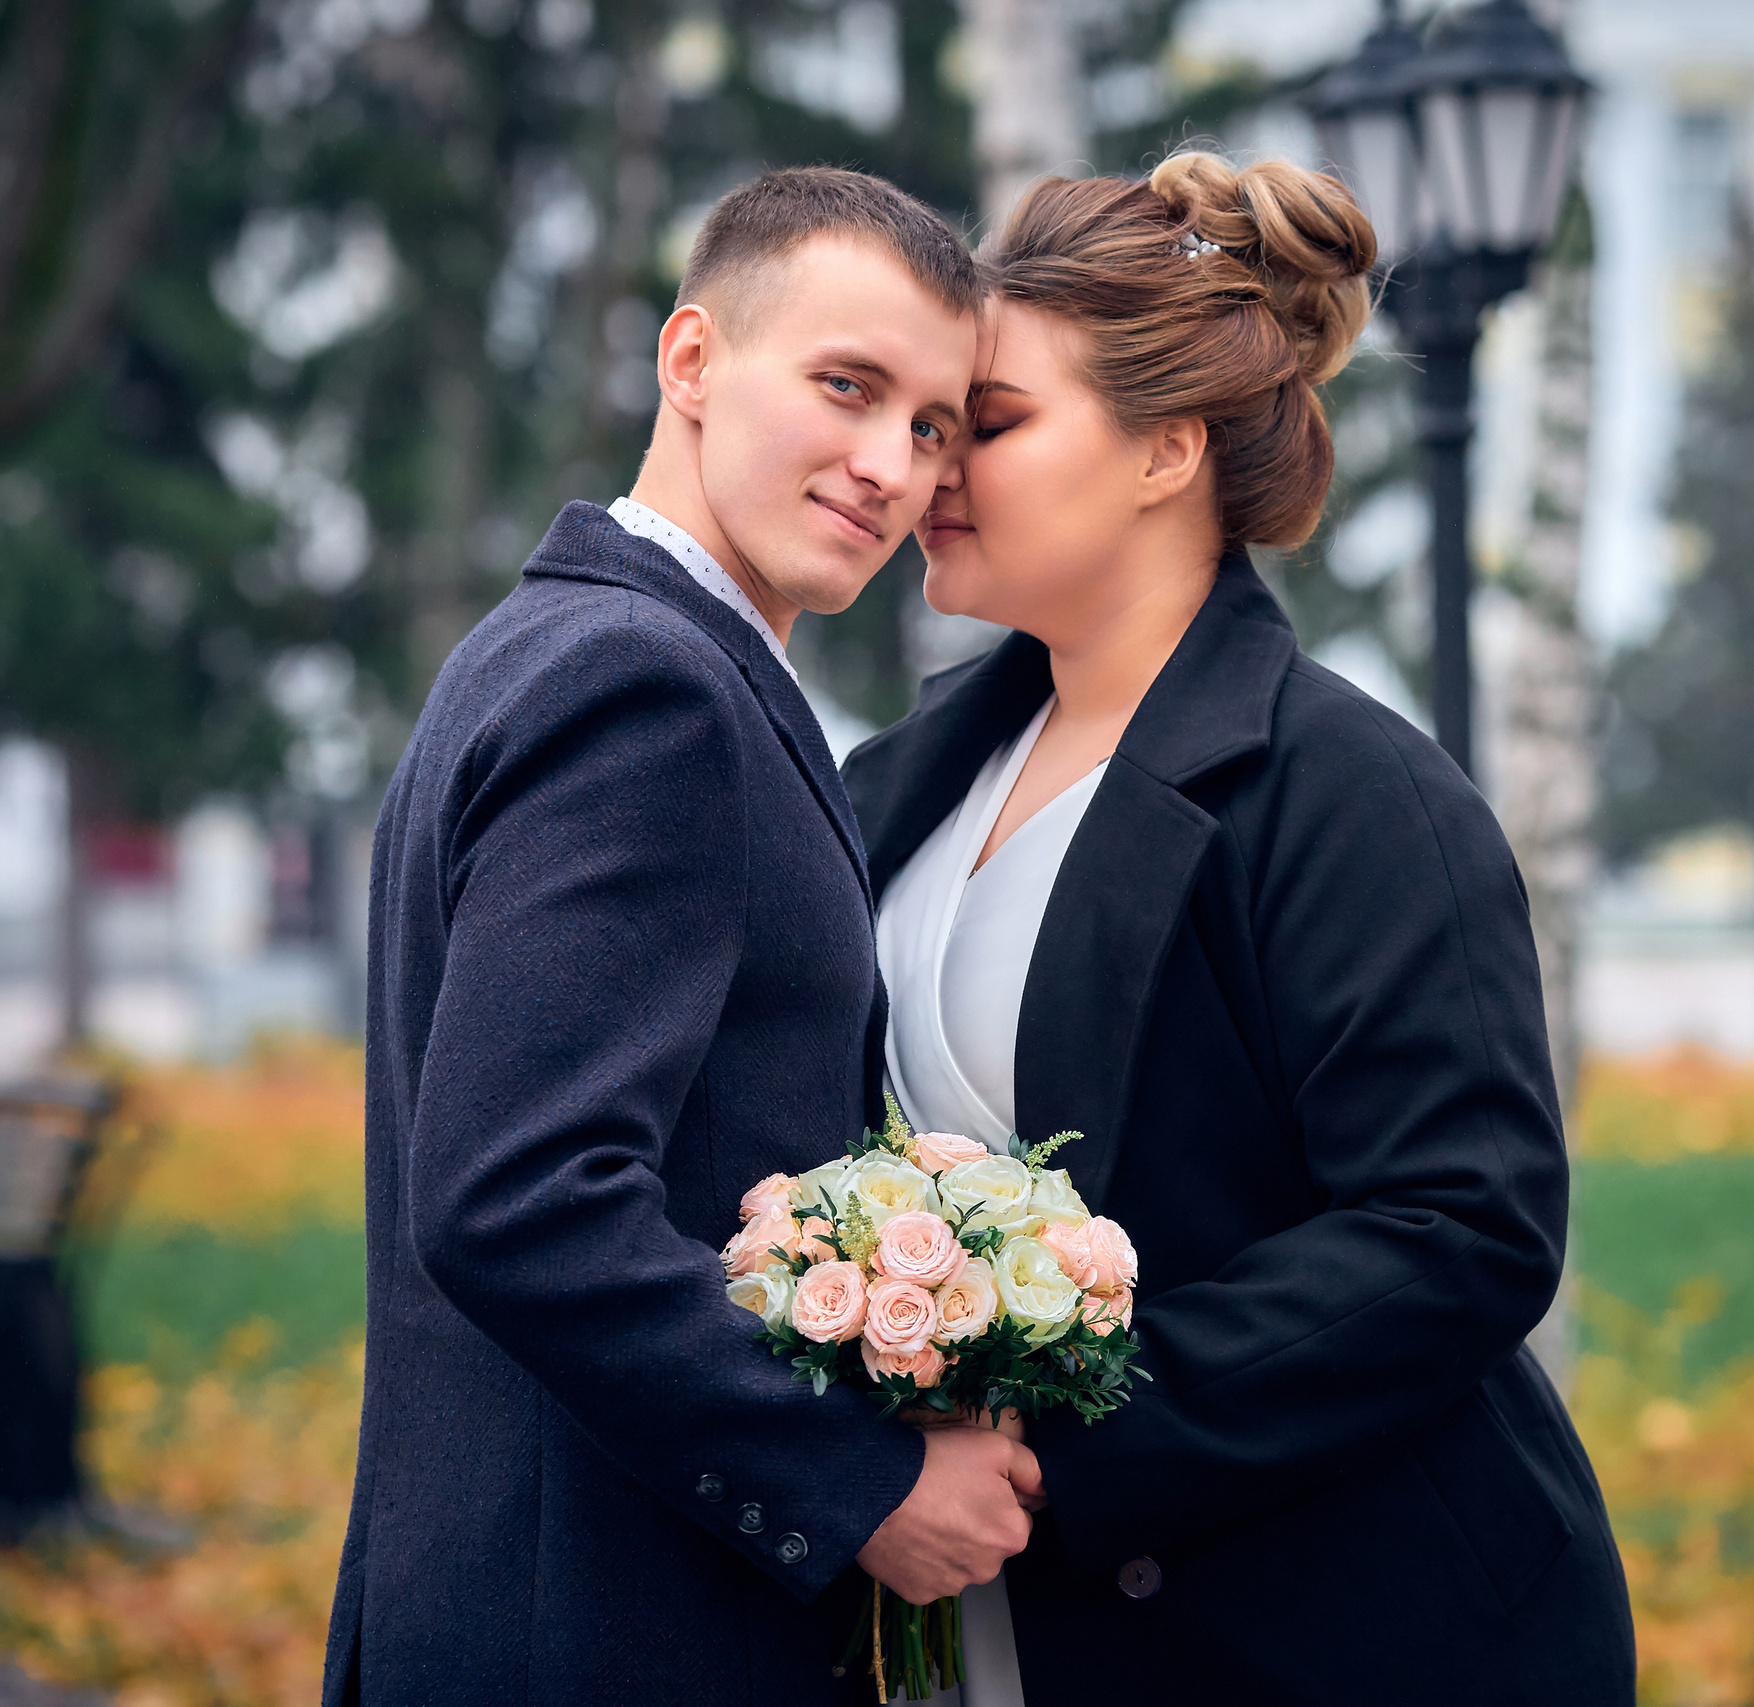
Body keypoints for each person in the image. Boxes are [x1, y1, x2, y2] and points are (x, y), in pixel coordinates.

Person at [842, 152, 1637, 1707]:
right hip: (976, 1613)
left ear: (1168, 453)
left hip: (1329, 1624)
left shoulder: (1354, 793)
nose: (929, 470)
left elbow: (1459, 1226)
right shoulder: (899, 781)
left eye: (988, 424)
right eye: (934, 428)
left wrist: (1062, 1438)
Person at [324, 167, 1042, 1706]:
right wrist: (859, 1485)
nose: (890, 466)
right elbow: (521, 1195)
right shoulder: (640, 689)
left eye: (930, 426)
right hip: (590, 1633)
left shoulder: (575, 644)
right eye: (847, 387)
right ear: (693, 360)